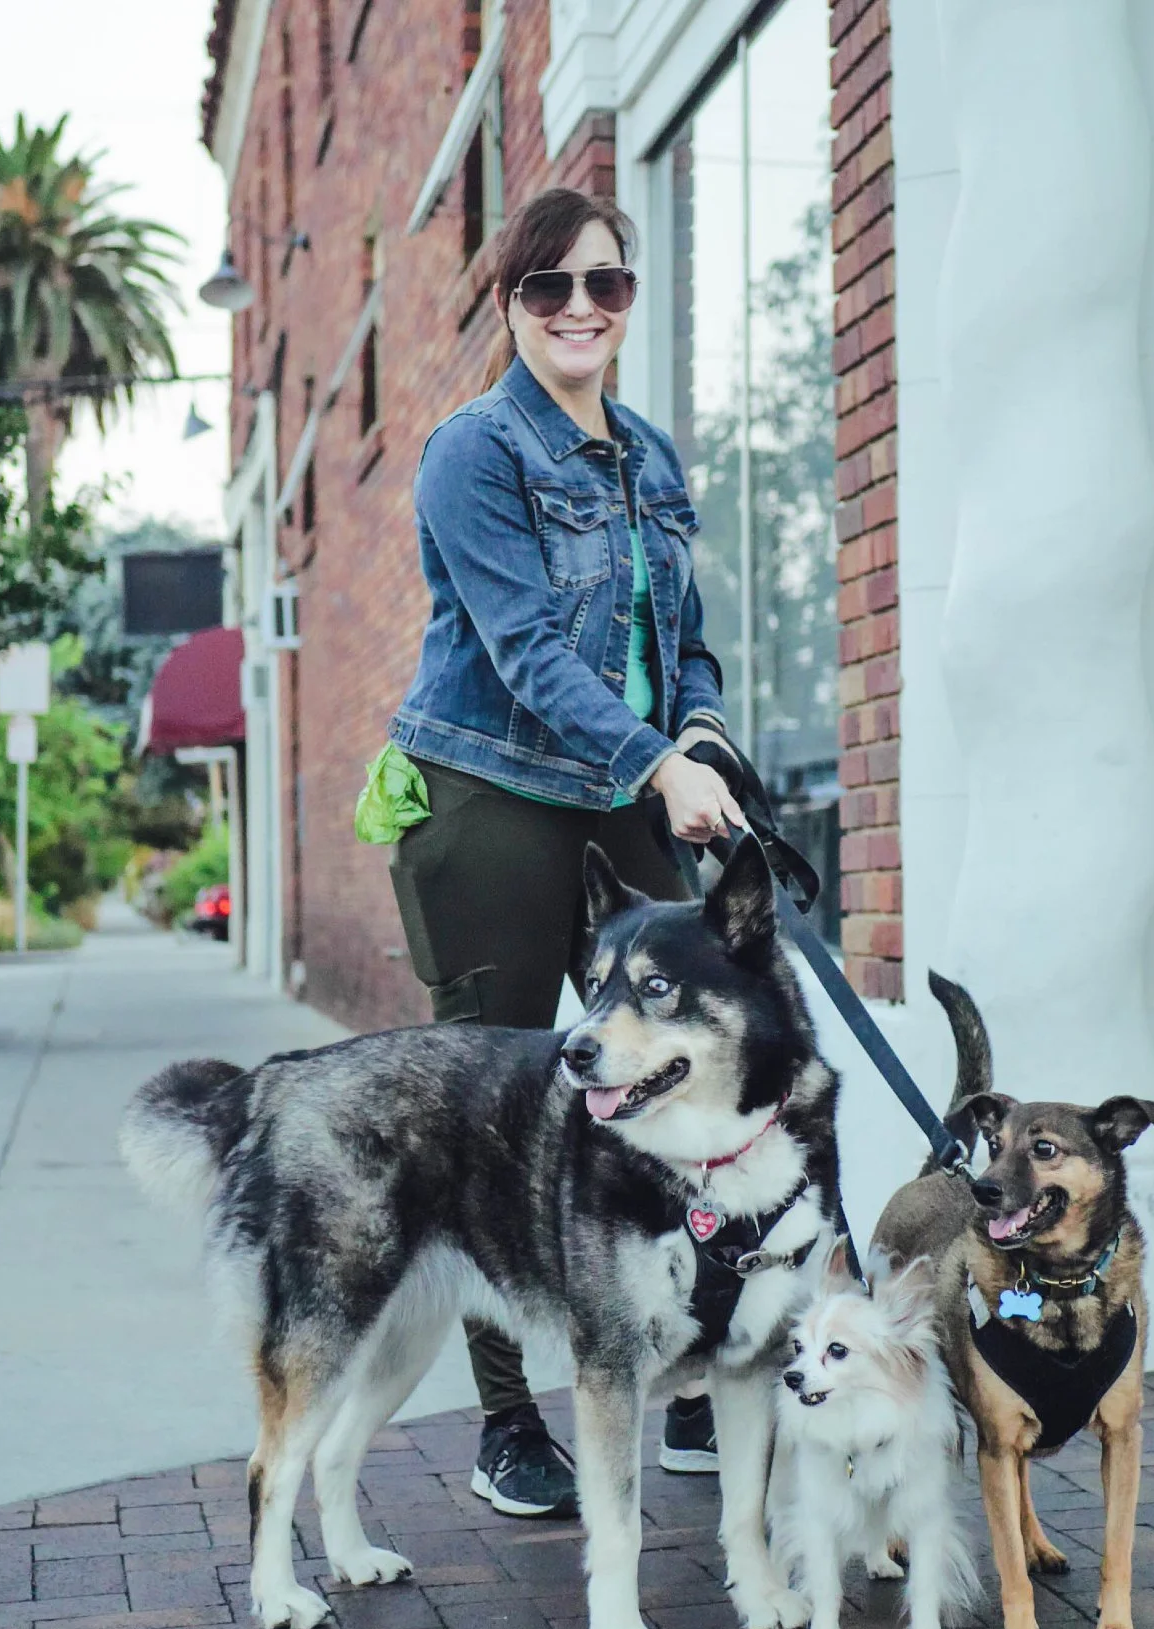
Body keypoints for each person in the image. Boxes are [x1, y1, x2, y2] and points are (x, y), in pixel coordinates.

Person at [387, 187, 743, 1517]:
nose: (582, 307)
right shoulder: (470, 454)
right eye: (551, 289)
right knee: (495, 1095)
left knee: (686, 1067)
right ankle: (505, 1424)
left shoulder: (648, 457)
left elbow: (686, 640)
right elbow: (529, 653)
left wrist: (697, 736)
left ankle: (692, 1367)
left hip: (625, 783)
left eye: (608, 283)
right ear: (511, 305)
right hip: (487, 788)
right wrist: (655, 761)